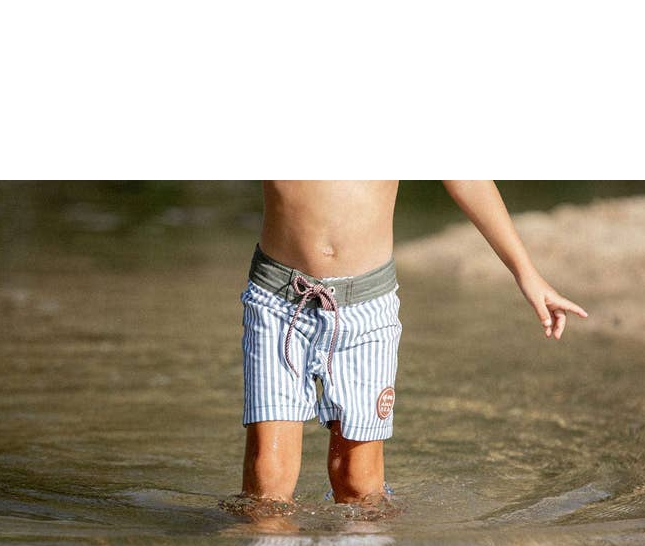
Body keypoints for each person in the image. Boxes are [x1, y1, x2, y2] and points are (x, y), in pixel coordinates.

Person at [238, 181, 588, 506]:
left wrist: (526, 272)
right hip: (278, 300)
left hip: (367, 309)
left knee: (356, 480)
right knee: (268, 478)